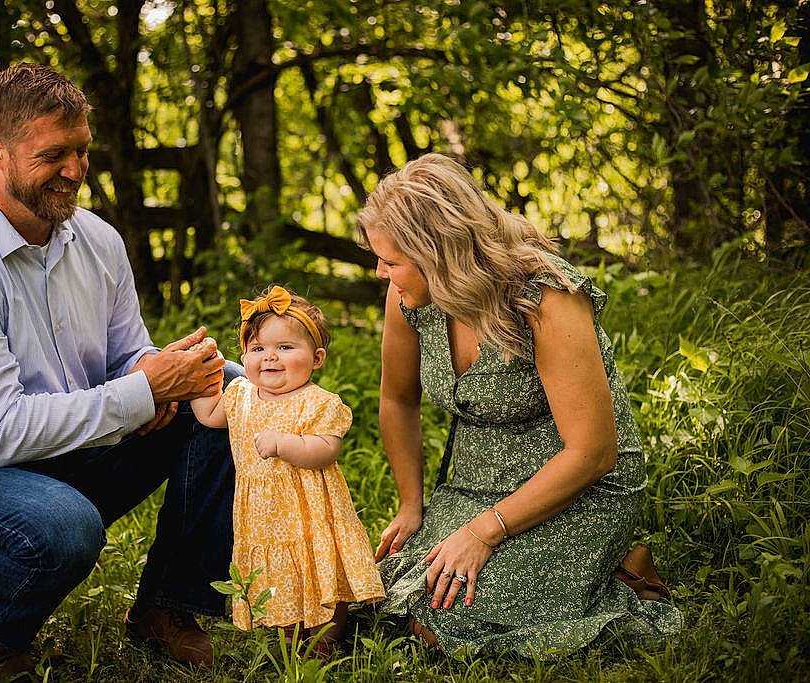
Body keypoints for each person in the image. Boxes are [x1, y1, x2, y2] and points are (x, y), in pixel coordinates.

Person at [0, 62, 239, 676]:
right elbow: (0, 433)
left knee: (229, 394)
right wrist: (144, 391)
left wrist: (168, 372)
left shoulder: (95, 239)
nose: (74, 170)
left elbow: (128, 354)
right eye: (53, 155)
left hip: (69, 450)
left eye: (81, 151)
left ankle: (168, 605)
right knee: (62, 526)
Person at [358, 153, 683, 657]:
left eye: (392, 260)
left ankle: (623, 577)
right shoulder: (409, 297)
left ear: (440, 252)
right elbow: (397, 399)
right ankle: (599, 576)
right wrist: (410, 504)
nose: (381, 273)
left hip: (580, 486)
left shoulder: (544, 296)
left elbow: (593, 452)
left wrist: (486, 532)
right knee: (381, 596)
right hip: (474, 483)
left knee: (448, 623)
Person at [190, 285, 385, 656]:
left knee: (320, 571)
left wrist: (284, 444)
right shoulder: (239, 395)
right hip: (262, 513)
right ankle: (289, 633)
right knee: (279, 576)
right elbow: (209, 415)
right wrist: (200, 376)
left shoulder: (318, 401)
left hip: (310, 511)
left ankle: (326, 638)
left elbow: (326, 450)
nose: (270, 358)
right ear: (244, 355)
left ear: (317, 359)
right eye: (258, 349)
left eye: (285, 348)